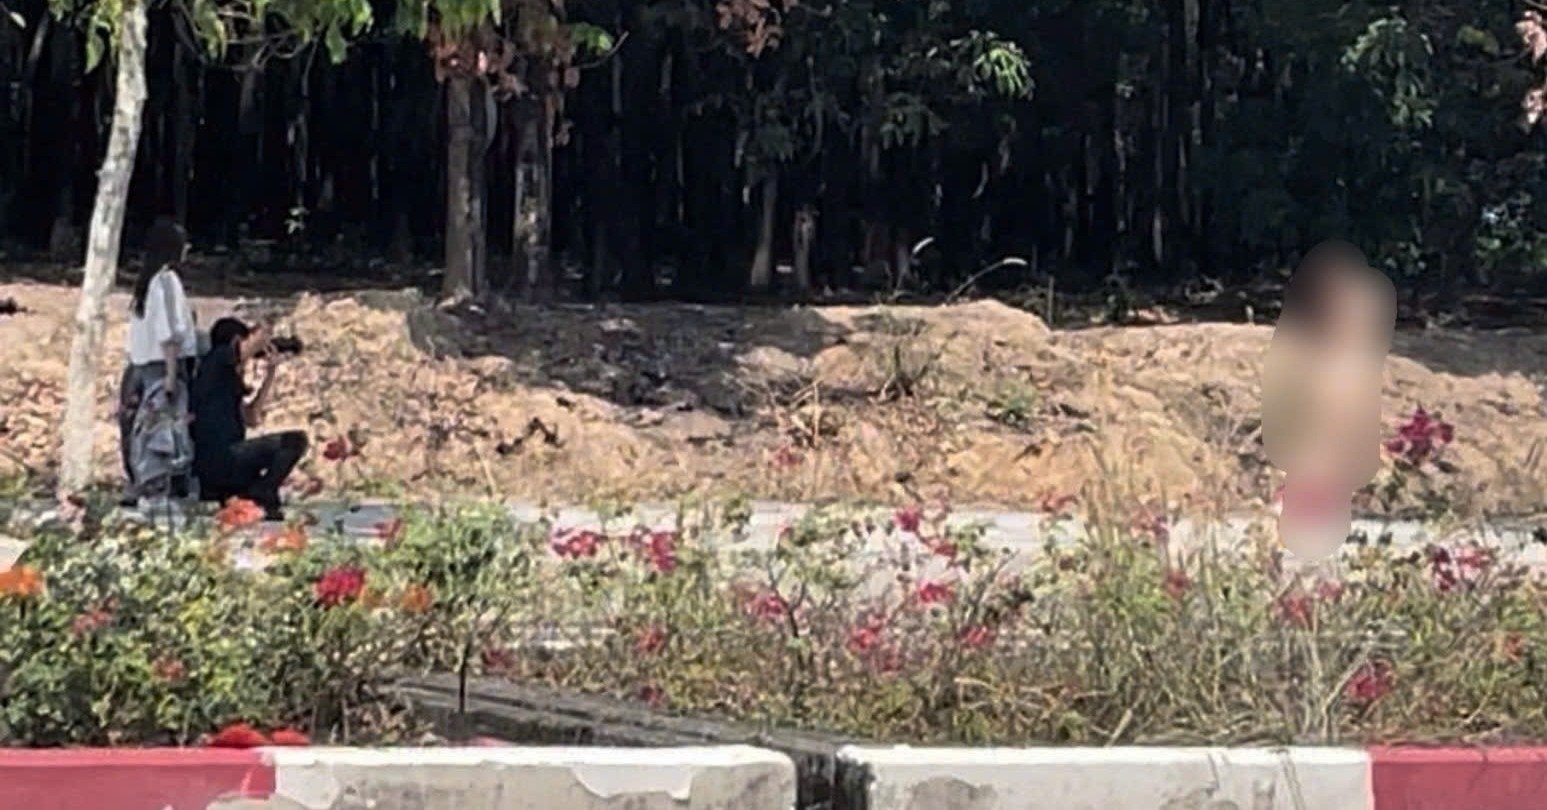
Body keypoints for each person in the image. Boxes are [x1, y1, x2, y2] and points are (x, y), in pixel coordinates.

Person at [190, 317, 308, 520]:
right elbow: (245, 348)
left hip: (229, 462)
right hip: (220, 460)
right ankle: (262, 493)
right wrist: (264, 331)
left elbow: (252, 418)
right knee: (293, 441)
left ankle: (257, 492)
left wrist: (270, 373)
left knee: (290, 443)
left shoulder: (225, 381)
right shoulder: (215, 361)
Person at [119, 216, 198, 504]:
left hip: (139, 365)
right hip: (161, 365)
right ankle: (156, 486)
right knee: (164, 429)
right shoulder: (166, 281)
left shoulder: (146, 282)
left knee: (142, 427)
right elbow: (169, 332)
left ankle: (140, 481)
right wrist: (171, 373)